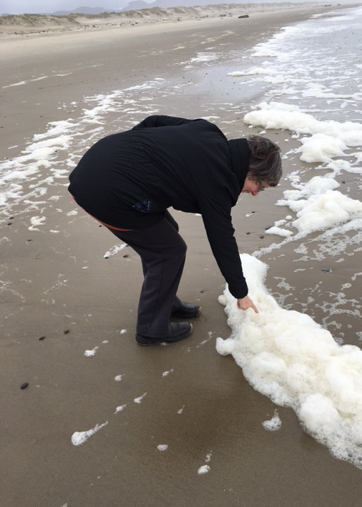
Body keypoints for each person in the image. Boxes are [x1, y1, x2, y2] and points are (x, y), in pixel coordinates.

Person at [68, 115, 282, 346]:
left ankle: (164, 303)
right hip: (101, 193)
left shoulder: (208, 131)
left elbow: (154, 121)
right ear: (250, 170)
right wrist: (241, 293)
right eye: (259, 186)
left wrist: (132, 150)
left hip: (101, 158)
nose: (254, 193)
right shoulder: (218, 182)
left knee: (167, 233)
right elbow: (222, 241)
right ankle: (151, 329)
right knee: (168, 251)